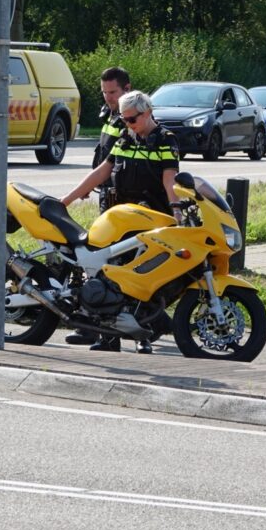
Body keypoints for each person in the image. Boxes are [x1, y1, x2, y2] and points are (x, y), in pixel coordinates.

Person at [61, 90, 181, 354]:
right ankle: (107, 338)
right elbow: (103, 171)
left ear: (148, 112)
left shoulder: (165, 139)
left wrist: (177, 212)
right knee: (109, 277)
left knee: (140, 281)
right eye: (124, 119)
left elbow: (169, 179)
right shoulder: (126, 136)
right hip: (119, 220)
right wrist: (68, 199)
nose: (128, 124)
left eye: (132, 119)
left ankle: (143, 336)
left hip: (150, 221)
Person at [64, 67, 132, 347]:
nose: (108, 97)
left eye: (112, 92)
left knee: (111, 266)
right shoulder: (111, 115)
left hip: (123, 203)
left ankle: (106, 331)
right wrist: (88, 187)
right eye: (104, 92)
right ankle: (95, 328)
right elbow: (103, 158)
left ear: (127, 89)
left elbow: (115, 165)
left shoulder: (131, 119)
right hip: (108, 199)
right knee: (98, 263)